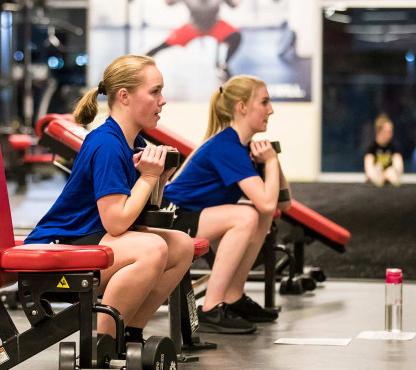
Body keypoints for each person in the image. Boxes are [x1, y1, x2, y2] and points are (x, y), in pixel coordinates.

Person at [24, 55, 195, 342]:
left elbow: (138, 219)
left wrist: (159, 178)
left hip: (90, 239)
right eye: (155, 91)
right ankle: (104, 347)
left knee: (180, 245)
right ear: (124, 96)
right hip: (58, 247)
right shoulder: (107, 145)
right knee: (152, 249)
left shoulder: (134, 142)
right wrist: (149, 177)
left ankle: (129, 334)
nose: (162, 100)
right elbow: (117, 223)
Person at [162, 75, 291, 334]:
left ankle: (233, 296)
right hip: (171, 220)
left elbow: (282, 205)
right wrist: (271, 161)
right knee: (247, 216)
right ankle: (211, 307)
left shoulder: (241, 147)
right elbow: (266, 202)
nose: (271, 110)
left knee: (259, 216)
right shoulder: (227, 146)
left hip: (191, 217)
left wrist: (269, 160)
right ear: (242, 107)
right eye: (264, 102)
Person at [146, 0, 242, 81]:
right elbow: (170, 3)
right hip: (194, 27)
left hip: (214, 25)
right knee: (166, 44)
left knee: (236, 36)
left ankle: (224, 64)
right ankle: (145, 58)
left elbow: (233, 5)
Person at [364, 114, 404, 187]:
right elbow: (369, 170)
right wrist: (379, 175)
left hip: (392, 185)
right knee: (376, 171)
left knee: (392, 173)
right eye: (387, 131)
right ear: (379, 131)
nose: (390, 134)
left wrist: (388, 174)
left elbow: (399, 167)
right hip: (374, 187)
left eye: (391, 131)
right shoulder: (372, 148)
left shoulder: (394, 148)